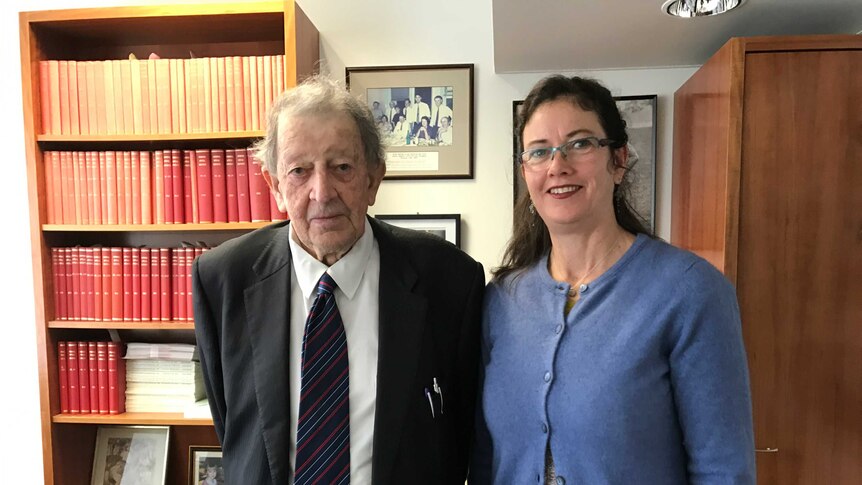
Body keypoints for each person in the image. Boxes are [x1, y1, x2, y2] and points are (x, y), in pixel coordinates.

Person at [193, 75, 484, 485]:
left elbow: (459, 438)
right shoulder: (222, 278)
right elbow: (233, 425)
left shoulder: (450, 280)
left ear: (373, 178)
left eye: (342, 167)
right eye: (299, 171)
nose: (321, 191)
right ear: (274, 186)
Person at [470, 75, 755, 484]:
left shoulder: (691, 292)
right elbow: (484, 457)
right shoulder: (501, 301)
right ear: (525, 172)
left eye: (580, 143)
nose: (557, 165)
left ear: (618, 161)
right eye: (539, 152)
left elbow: (724, 470)